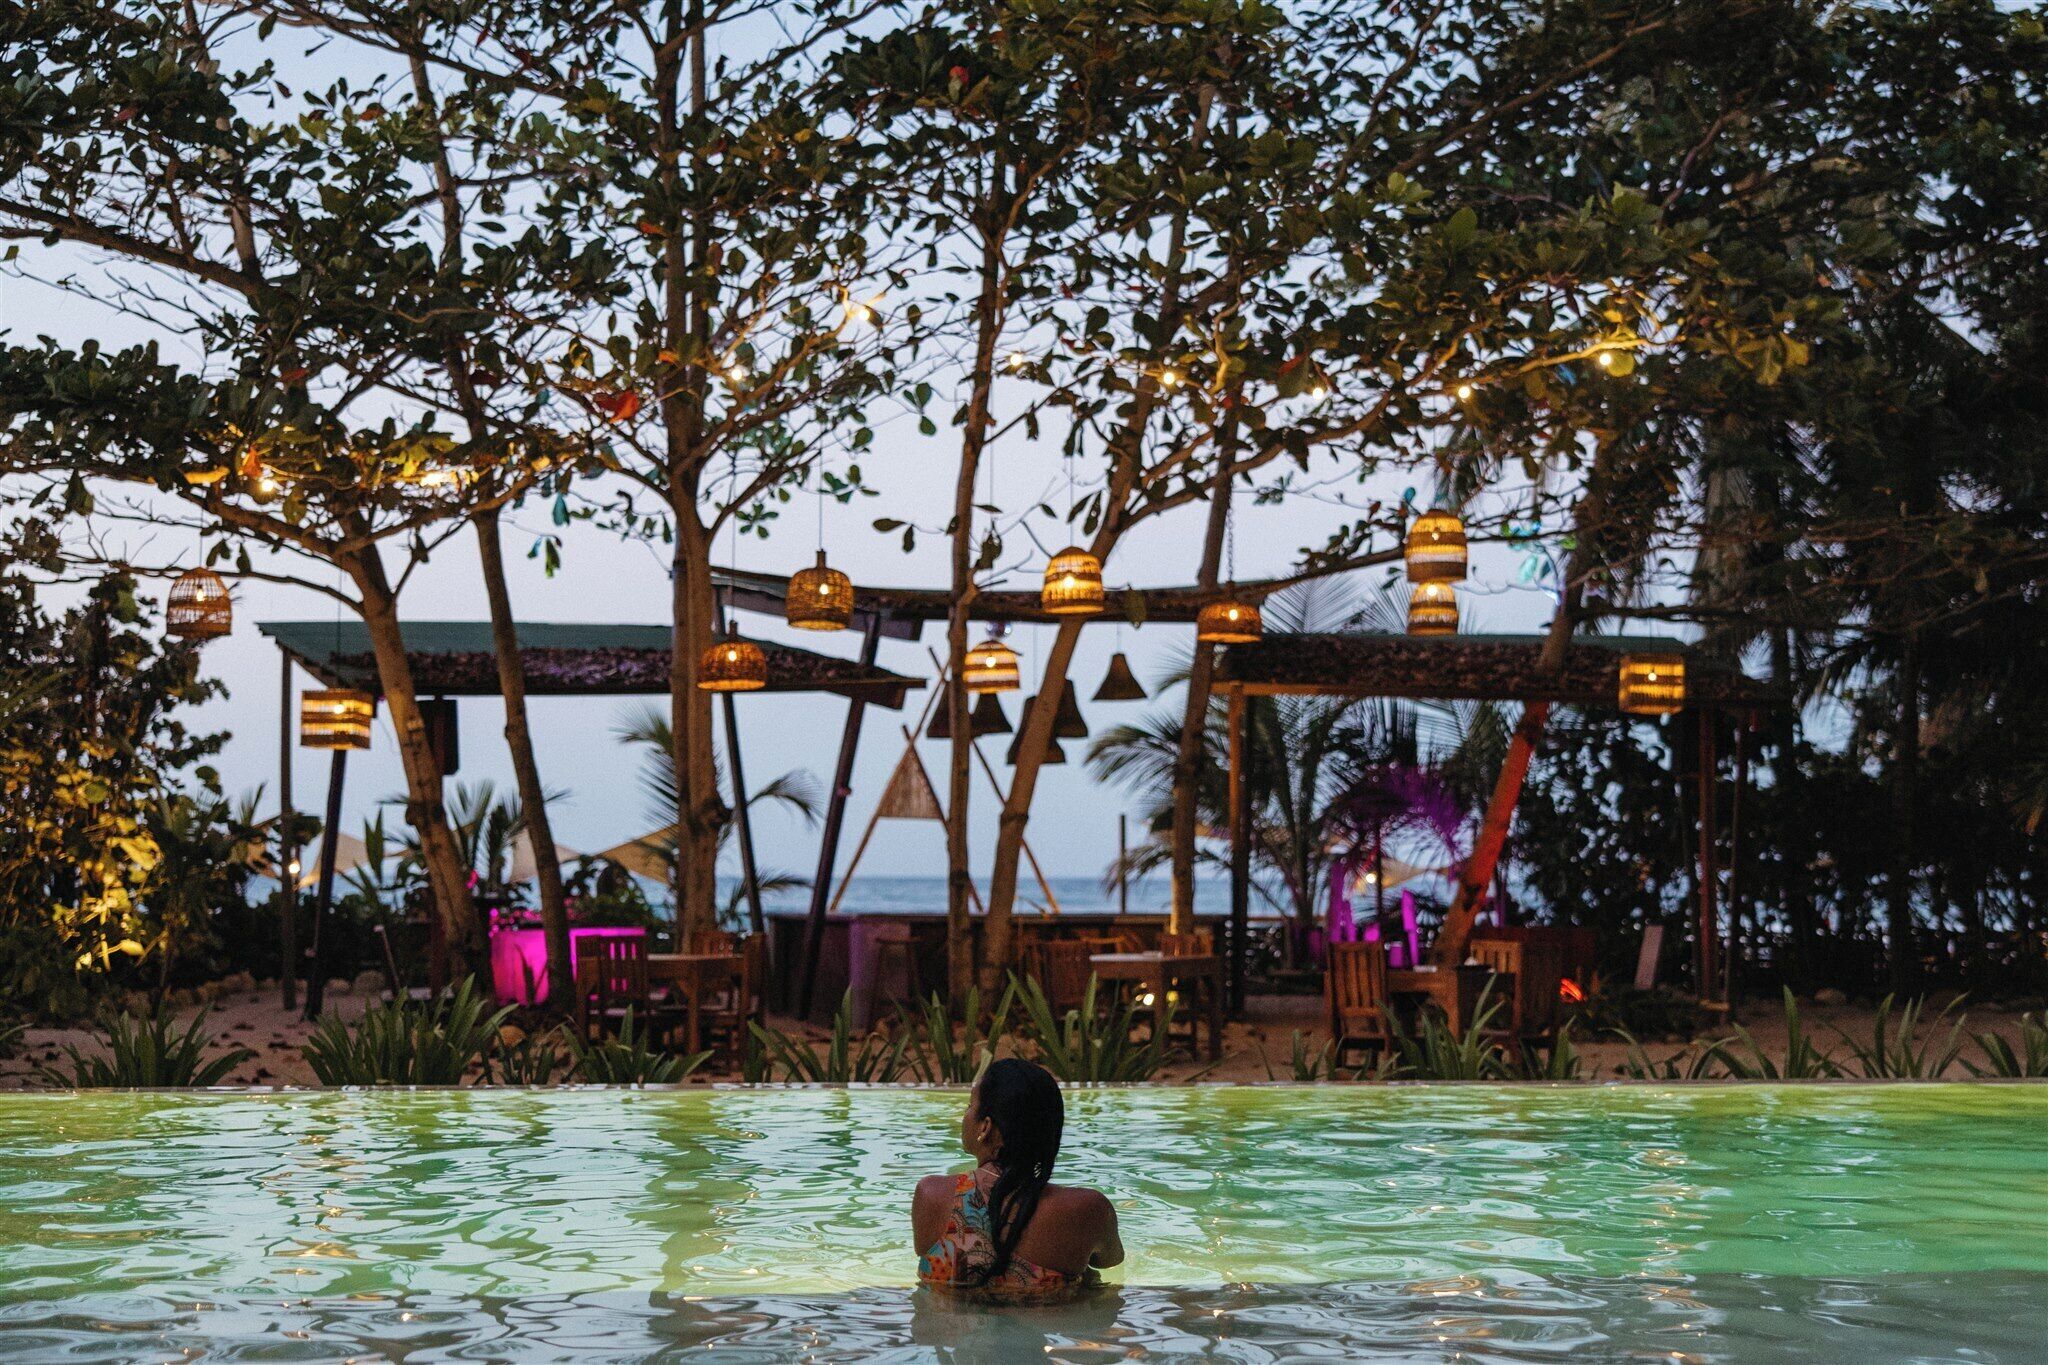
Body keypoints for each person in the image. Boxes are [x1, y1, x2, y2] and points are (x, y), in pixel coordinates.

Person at [913, 1058, 1123, 1301]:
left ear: (986, 1127)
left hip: (952, 1334)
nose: (966, 1115)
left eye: (970, 1106)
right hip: (1047, 1327)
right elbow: (1110, 1261)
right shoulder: (1089, 1209)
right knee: (1090, 1282)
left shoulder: (932, 1195)